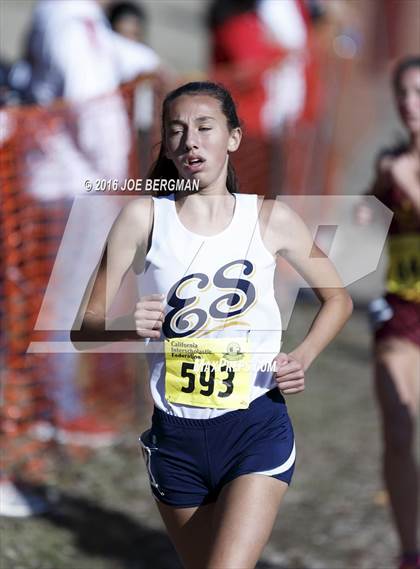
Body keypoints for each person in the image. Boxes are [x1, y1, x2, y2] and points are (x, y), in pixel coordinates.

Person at [72, 81, 353, 568]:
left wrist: (301, 357)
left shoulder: (270, 219)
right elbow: (83, 332)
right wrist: (125, 327)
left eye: (205, 127)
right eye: (176, 131)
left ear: (234, 138)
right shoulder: (142, 219)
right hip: (176, 439)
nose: (190, 141)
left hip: (254, 426)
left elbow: (338, 299)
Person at [357, 56, 420, 569]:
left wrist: (408, 184)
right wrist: (374, 196)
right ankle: (410, 553)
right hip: (403, 314)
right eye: (402, 93)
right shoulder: (391, 161)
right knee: (398, 432)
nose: (408, 103)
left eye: (419, 92)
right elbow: (364, 230)